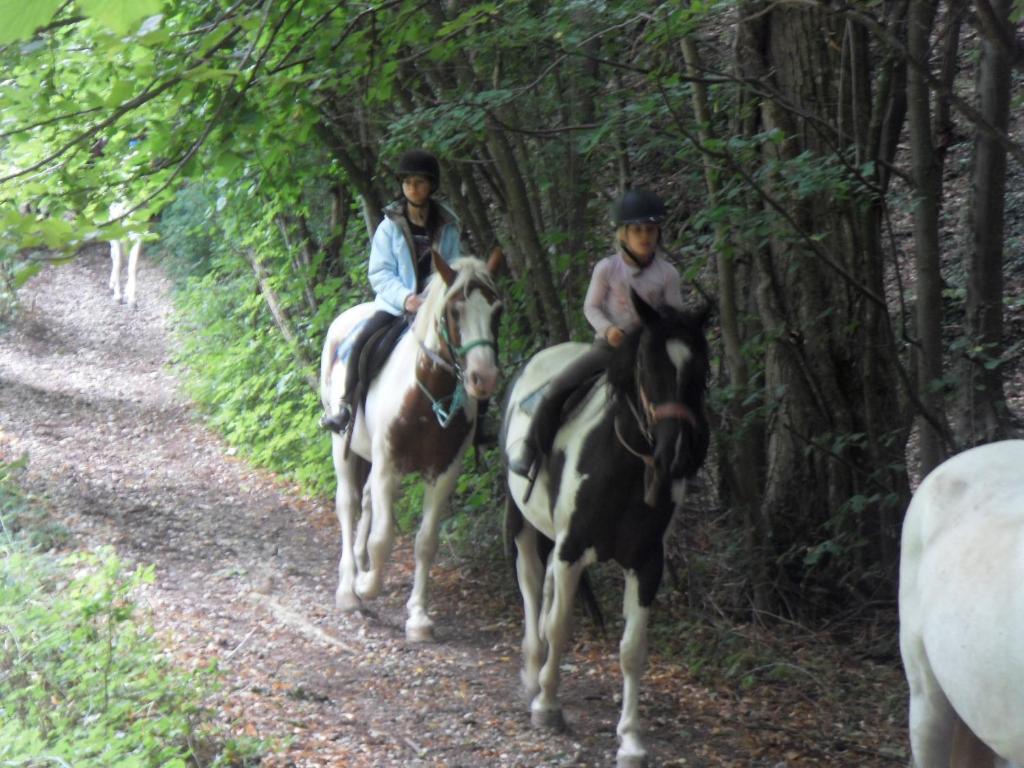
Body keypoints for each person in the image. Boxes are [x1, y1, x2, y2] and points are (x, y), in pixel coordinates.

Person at [509, 188, 685, 481]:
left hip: (651, 354)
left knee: (683, 396)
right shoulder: (607, 269)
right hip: (610, 349)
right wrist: (608, 330)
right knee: (560, 386)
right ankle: (530, 448)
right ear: (623, 235)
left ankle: (683, 458)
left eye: (651, 230)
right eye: (638, 230)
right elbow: (591, 307)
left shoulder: (667, 274)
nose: (645, 236)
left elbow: (676, 315)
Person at [320, 149, 461, 433]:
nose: (412, 188)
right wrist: (405, 298)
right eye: (407, 182)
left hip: (436, 307)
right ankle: (345, 407)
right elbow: (380, 272)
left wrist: (434, 298)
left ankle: (477, 419)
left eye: (419, 182)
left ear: (431, 185)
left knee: (469, 348)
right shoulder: (389, 226)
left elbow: (453, 265)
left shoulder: (449, 225)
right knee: (364, 342)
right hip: (396, 307)